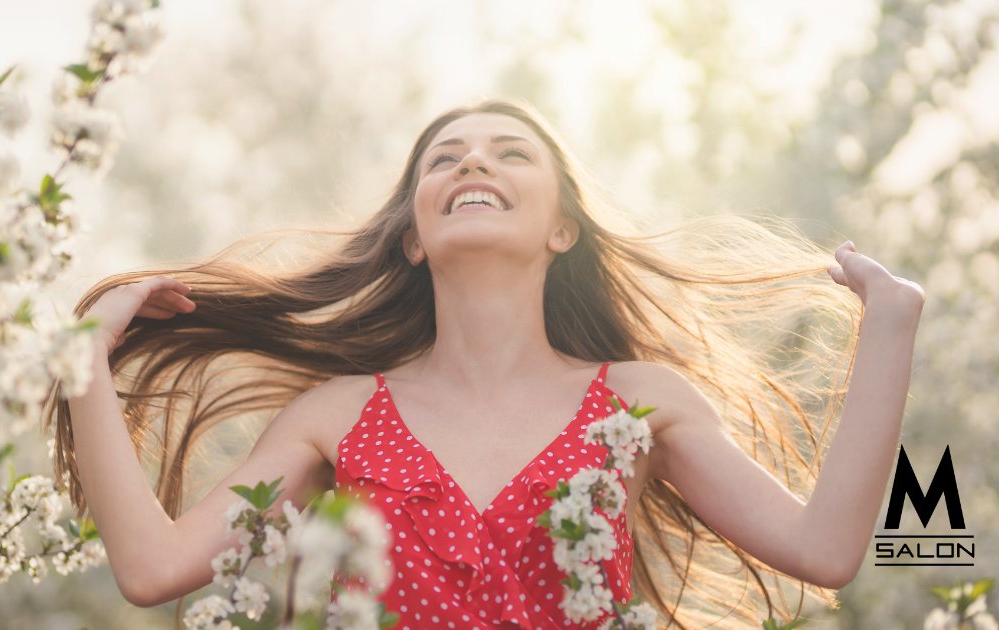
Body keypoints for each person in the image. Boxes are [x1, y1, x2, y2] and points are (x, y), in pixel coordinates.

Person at [53, 97, 925, 629]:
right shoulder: (337, 415)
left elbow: (825, 546)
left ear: (562, 229)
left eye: (512, 153)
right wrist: (85, 357)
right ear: (414, 240)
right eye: (446, 157)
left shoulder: (638, 402)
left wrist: (889, 326)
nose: (474, 160)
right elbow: (153, 570)